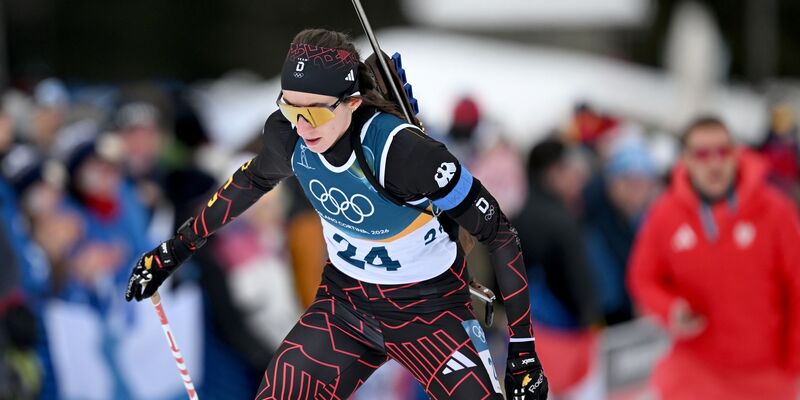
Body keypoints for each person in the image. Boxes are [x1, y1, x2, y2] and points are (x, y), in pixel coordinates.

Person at [125, 28, 548, 399]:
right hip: (346, 305)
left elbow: (500, 234)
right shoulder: (289, 138)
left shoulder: (404, 153)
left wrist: (523, 349)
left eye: (314, 111)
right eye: (290, 108)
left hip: (429, 313)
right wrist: (175, 250)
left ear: (352, 102)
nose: (302, 125)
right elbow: (250, 182)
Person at [627, 116, 800, 400]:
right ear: (686, 160)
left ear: (736, 154)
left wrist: (794, 360)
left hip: (764, 374)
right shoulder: (664, 214)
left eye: (722, 151)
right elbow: (642, 277)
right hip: (693, 371)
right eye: (702, 154)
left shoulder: (776, 211)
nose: (714, 163)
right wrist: (670, 308)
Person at [513, 139, 602, 399]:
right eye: (569, 169)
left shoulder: (515, 217)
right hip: (565, 336)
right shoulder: (562, 220)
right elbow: (580, 283)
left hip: (526, 335)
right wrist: (591, 318)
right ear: (552, 173)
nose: (575, 177)